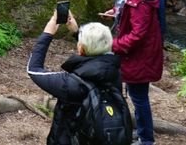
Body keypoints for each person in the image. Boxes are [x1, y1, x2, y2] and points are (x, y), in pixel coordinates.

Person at [27, 12, 122, 145]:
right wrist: (77, 32)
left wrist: (47, 33)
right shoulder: (114, 72)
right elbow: (94, 56)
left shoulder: (71, 84)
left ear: (81, 49)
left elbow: (33, 69)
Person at [105, 0, 163, 145]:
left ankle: (147, 140)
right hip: (131, 56)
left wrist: (113, 45)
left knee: (139, 99)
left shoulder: (141, 3)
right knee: (135, 96)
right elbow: (125, 8)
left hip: (140, 57)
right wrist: (115, 12)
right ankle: (140, 132)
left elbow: (138, 35)